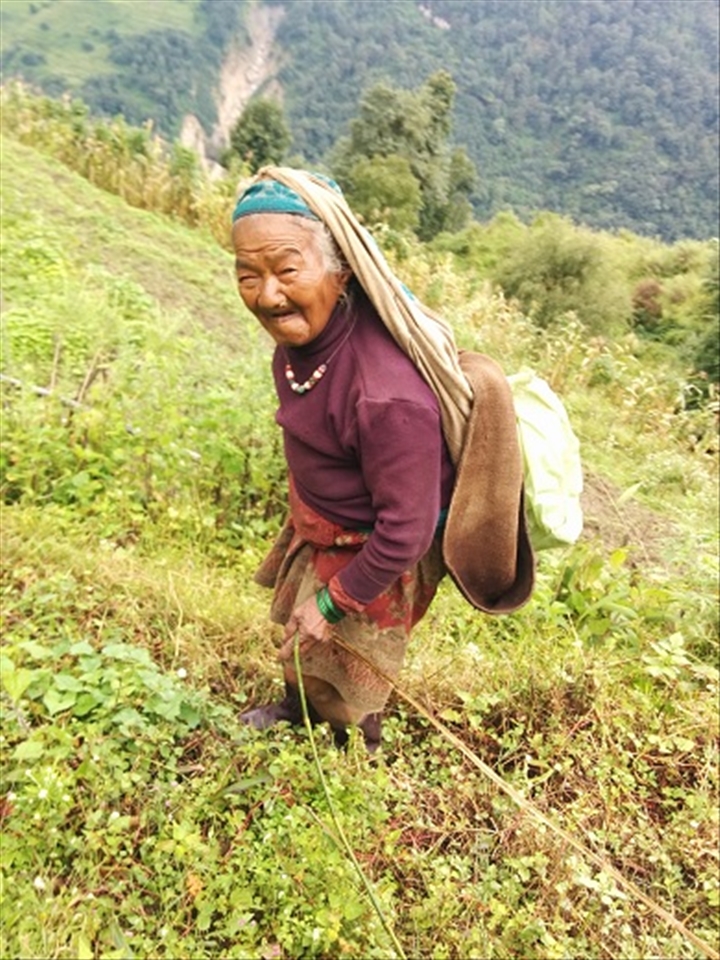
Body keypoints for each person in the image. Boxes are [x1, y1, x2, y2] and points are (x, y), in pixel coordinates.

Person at [232, 169, 533, 753]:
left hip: (381, 553)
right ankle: (296, 712)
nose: (267, 295)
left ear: (340, 270)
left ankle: (353, 747)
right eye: (248, 274)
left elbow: (407, 530)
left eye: (287, 270)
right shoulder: (309, 335)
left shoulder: (387, 395)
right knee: (303, 649)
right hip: (324, 527)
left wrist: (332, 600)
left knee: (346, 678)